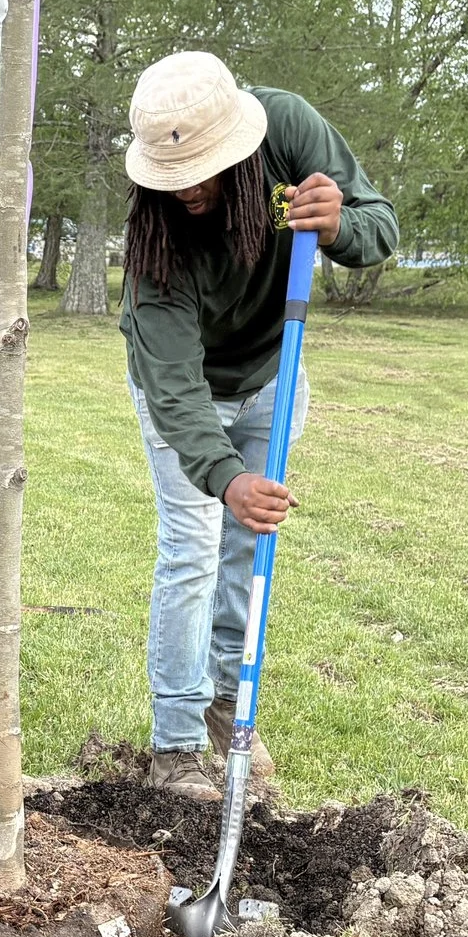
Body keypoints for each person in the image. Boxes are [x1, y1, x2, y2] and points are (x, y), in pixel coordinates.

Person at [118, 51, 397, 802]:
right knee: (193, 549)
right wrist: (226, 476)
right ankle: (174, 745)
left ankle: (226, 702)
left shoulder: (289, 131)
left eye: (205, 170)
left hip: (274, 374)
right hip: (190, 393)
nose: (191, 189)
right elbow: (173, 387)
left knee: (247, 552)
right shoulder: (157, 243)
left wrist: (339, 225)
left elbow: (381, 224)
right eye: (175, 177)